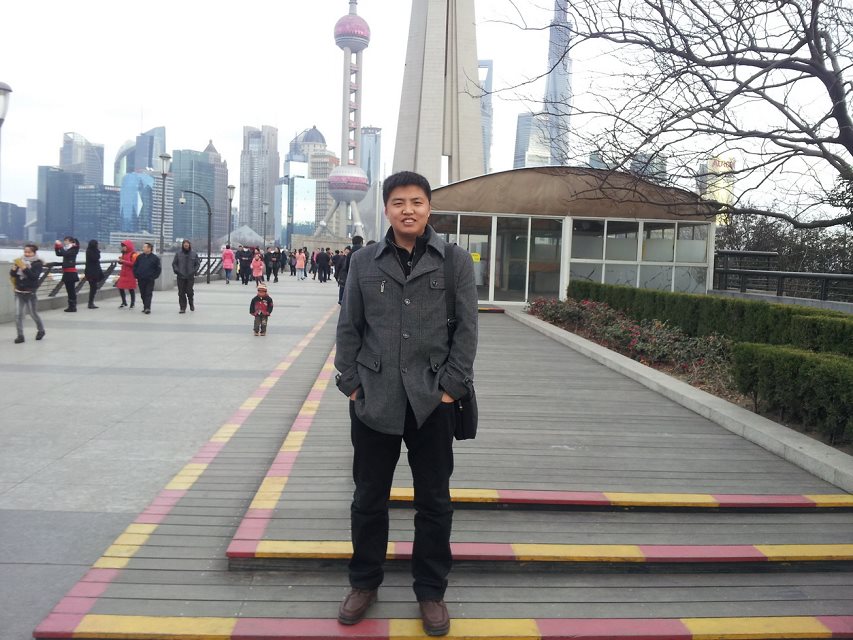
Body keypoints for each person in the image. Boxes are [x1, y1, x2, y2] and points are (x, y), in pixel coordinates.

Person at [334, 171, 478, 636]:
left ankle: (431, 591)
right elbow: (349, 327)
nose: (408, 210)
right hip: (374, 400)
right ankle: (364, 582)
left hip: (432, 401)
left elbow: (468, 331)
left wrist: (451, 388)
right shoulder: (363, 262)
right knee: (367, 499)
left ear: (429, 208)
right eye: (399, 202)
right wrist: (351, 384)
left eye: (416, 201)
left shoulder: (454, 261)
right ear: (386, 209)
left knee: (434, 502)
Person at [10, 243, 46, 343]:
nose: (26, 254)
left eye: (29, 252)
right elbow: (13, 275)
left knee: (33, 313)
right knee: (18, 315)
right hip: (19, 291)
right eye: (25, 252)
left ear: (34, 252)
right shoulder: (20, 261)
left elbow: (34, 276)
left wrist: (24, 268)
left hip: (30, 292)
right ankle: (20, 336)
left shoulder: (38, 263)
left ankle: (41, 330)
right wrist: (14, 269)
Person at [133, 242, 162, 314]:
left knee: (148, 293)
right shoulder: (140, 257)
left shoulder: (155, 258)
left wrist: (154, 276)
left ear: (149, 248)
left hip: (150, 279)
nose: (143, 248)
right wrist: (136, 274)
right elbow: (135, 266)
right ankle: (145, 306)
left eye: (144, 247)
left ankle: (147, 308)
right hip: (141, 278)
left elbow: (158, 269)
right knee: (143, 293)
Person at [173, 240, 200, 313]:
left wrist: (194, 271)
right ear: (183, 245)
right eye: (185, 245)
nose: (186, 246)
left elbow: (197, 264)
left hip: (190, 276)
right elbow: (174, 263)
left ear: (189, 245)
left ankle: (191, 303)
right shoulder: (178, 254)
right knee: (181, 293)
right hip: (180, 276)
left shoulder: (194, 254)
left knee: (189, 292)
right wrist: (177, 271)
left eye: (187, 245)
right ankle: (182, 307)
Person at [54, 236, 80, 312]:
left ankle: (72, 307)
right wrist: (56, 247)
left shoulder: (74, 249)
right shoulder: (67, 249)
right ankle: (71, 306)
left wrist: (60, 246)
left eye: (66, 240)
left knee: (71, 290)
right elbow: (59, 254)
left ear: (71, 241)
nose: (64, 242)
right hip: (67, 272)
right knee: (69, 290)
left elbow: (65, 254)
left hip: (71, 272)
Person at [116, 240, 138, 309]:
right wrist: (120, 261)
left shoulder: (133, 254)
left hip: (130, 274)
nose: (123, 248)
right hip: (123, 274)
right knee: (120, 287)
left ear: (128, 246)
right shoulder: (124, 254)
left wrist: (124, 261)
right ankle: (124, 302)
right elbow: (123, 262)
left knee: (131, 289)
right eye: (122, 247)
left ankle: (132, 303)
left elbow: (134, 264)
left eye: (124, 246)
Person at [84, 239, 104, 309]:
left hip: (92, 272)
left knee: (93, 287)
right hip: (92, 272)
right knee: (93, 287)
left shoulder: (89, 251)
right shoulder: (91, 251)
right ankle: (90, 302)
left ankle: (91, 302)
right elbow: (96, 258)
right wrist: (97, 251)